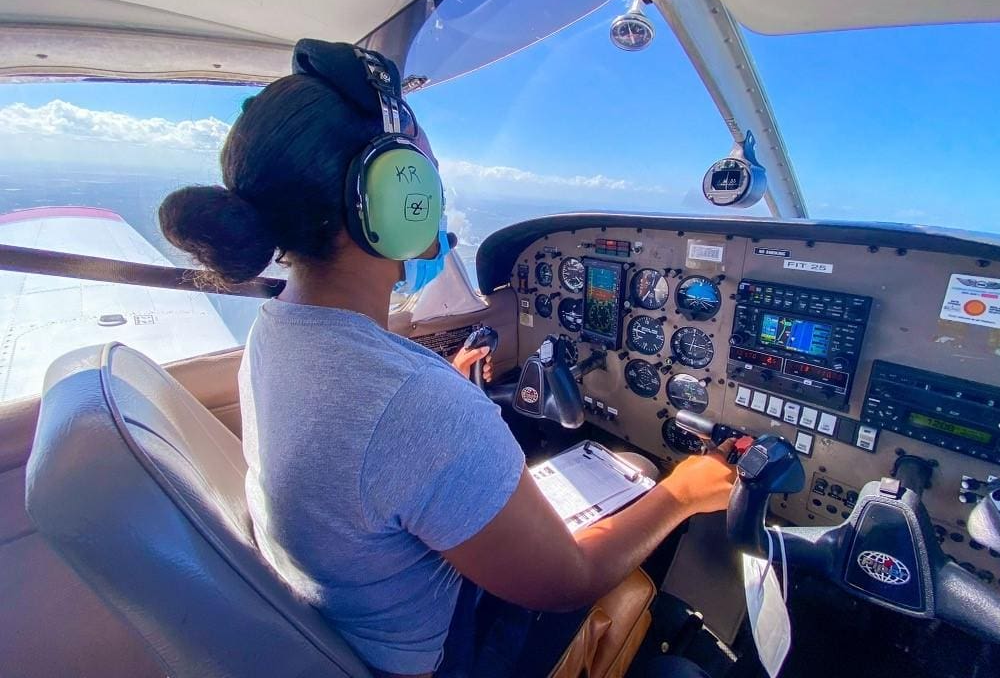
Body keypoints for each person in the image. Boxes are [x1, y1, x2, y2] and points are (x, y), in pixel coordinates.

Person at [159, 40, 736, 678]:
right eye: (423, 171)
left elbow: (369, 419)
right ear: (387, 195)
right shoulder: (415, 407)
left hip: (351, 621)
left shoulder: (275, 330)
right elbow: (568, 583)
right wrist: (683, 494)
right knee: (636, 473)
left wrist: (442, 388)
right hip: (441, 657)